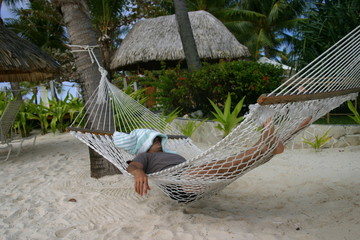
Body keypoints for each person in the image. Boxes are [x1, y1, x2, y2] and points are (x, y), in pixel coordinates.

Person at [126, 117, 312, 199]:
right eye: (152, 140)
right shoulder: (144, 156)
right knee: (219, 163)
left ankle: (295, 127)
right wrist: (138, 174)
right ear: (144, 147)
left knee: (254, 159)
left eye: (158, 137)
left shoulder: (169, 154)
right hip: (180, 184)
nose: (158, 140)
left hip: (194, 175)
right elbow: (132, 166)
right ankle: (267, 132)